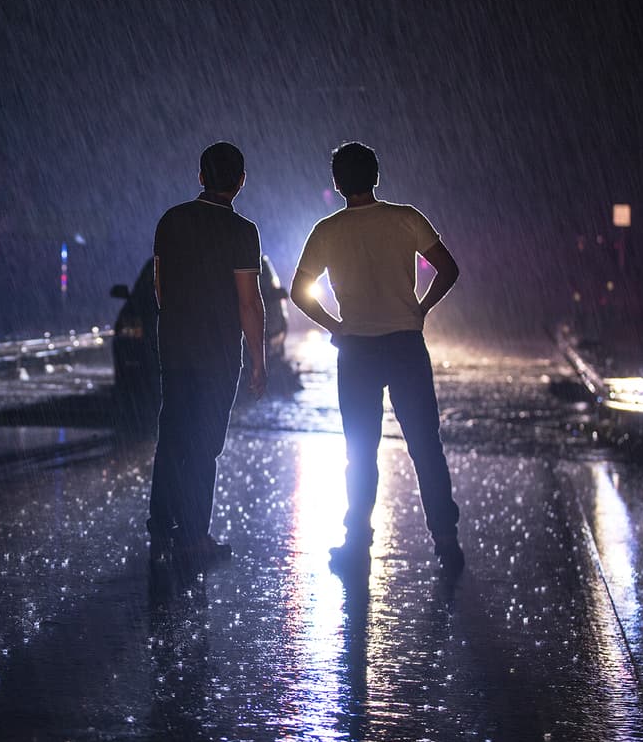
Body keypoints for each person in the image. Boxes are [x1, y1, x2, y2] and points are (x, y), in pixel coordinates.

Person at [290, 141, 464, 574]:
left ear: (337, 183)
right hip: (405, 344)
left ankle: (357, 543)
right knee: (425, 446)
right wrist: (421, 308)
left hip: (356, 351)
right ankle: (446, 541)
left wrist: (335, 326)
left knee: (361, 450)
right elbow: (449, 269)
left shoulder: (327, 230)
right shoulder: (406, 218)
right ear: (376, 177)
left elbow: (299, 291)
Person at [147, 141, 267, 566]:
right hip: (218, 352)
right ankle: (194, 537)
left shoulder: (171, 220)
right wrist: (258, 360)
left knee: (172, 435)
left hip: (175, 344)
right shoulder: (242, 231)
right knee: (204, 444)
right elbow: (248, 303)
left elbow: (160, 288)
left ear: (200, 176)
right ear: (241, 181)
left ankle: (161, 526)